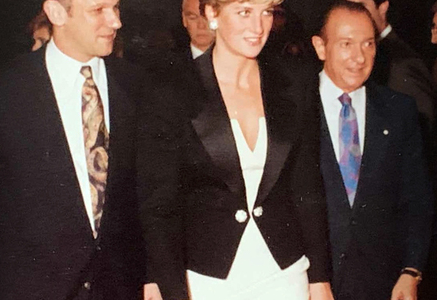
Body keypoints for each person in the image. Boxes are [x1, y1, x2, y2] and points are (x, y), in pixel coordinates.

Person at [140, 0, 333, 299]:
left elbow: (306, 186)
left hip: (285, 273)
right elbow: (159, 205)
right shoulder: (171, 91)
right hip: (207, 280)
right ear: (212, 13)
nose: (258, 27)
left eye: (266, 11)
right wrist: (170, 287)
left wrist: (320, 278)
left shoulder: (296, 82)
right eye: (244, 11)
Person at [0, 0, 147, 298]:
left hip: (119, 288)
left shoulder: (136, 85)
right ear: (57, 13)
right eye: (98, 10)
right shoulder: (2, 93)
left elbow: (148, 198)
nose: (115, 22)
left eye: (116, 7)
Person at [311, 1, 434, 299]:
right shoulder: (294, 109)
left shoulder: (398, 110)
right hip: (313, 285)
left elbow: (416, 198)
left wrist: (411, 271)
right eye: (346, 44)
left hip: (385, 285)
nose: (359, 57)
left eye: (368, 44)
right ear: (320, 47)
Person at [348, 0, 436, 141]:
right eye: (348, 6)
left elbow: (421, 134)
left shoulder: (402, 63)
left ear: (383, 8)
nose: (352, 14)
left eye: (361, 6)